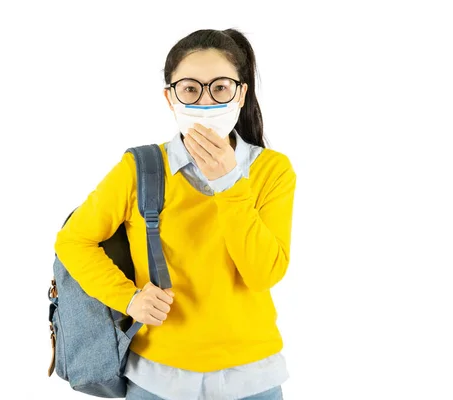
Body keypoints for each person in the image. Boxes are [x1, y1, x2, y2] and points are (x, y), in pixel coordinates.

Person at [54, 28, 297, 400]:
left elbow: (264, 273)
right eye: (189, 89)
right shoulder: (139, 168)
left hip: (252, 379)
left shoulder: (272, 171)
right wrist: (128, 298)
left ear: (241, 93)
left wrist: (230, 183)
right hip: (156, 379)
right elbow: (73, 240)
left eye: (220, 87)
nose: (205, 101)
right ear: (170, 98)